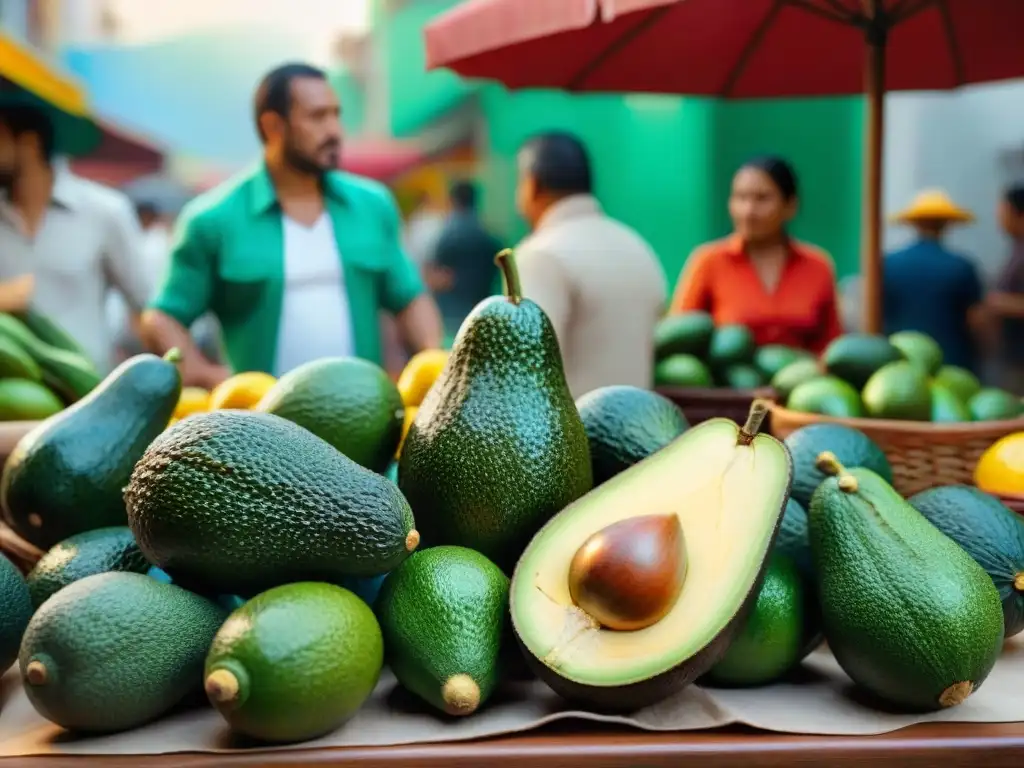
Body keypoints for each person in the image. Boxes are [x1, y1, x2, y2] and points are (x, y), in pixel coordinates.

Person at [141, 63, 443, 387]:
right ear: (273, 126)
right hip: (261, 426)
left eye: (336, 114)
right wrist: (204, 374)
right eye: (317, 117)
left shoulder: (372, 205)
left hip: (365, 417)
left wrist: (432, 363)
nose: (334, 131)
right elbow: (161, 318)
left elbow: (409, 297)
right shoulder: (213, 219)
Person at [513, 132, 667, 399]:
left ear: (532, 185)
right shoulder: (638, 246)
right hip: (644, 433)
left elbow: (526, 373)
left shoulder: (540, 255)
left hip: (570, 438)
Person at [0, 105, 152, 373]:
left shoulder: (105, 211)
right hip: (11, 391)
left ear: (29, 143)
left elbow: (144, 309)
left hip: (88, 387)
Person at [670, 156, 842, 354]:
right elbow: (679, 338)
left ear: (790, 206)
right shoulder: (708, 261)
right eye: (740, 197)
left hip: (800, 381)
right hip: (726, 384)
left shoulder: (818, 266)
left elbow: (832, 347)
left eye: (762, 199)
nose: (748, 211)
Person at [882, 189, 986, 372]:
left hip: (899, 363)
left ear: (914, 223)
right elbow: (976, 321)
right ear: (946, 224)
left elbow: (874, 311)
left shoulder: (888, 264)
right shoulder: (961, 266)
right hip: (952, 363)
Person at [428, 180, 503, 342]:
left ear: (453, 200)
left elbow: (439, 276)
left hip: (452, 315)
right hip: (483, 310)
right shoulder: (488, 233)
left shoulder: (449, 233)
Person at [985, 183, 1024, 392]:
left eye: (1003, 211)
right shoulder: (1016, 249)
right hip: (1013, 356)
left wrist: (998, 302)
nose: (999, 218)